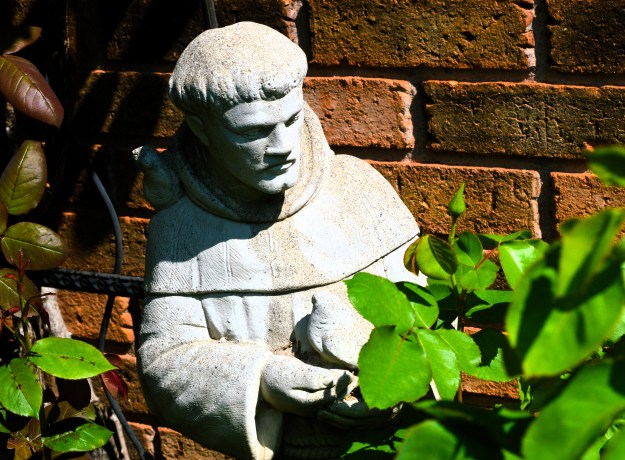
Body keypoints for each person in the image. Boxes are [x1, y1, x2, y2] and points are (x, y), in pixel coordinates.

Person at [134, 21, 420, 460]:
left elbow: (430, 316)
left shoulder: (360, 190)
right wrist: (262, 379)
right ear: (202, 129)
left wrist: (394, 390)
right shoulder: (181, 228)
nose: (284, 146)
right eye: (253, 131)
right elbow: (165, 362)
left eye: (292, 119)